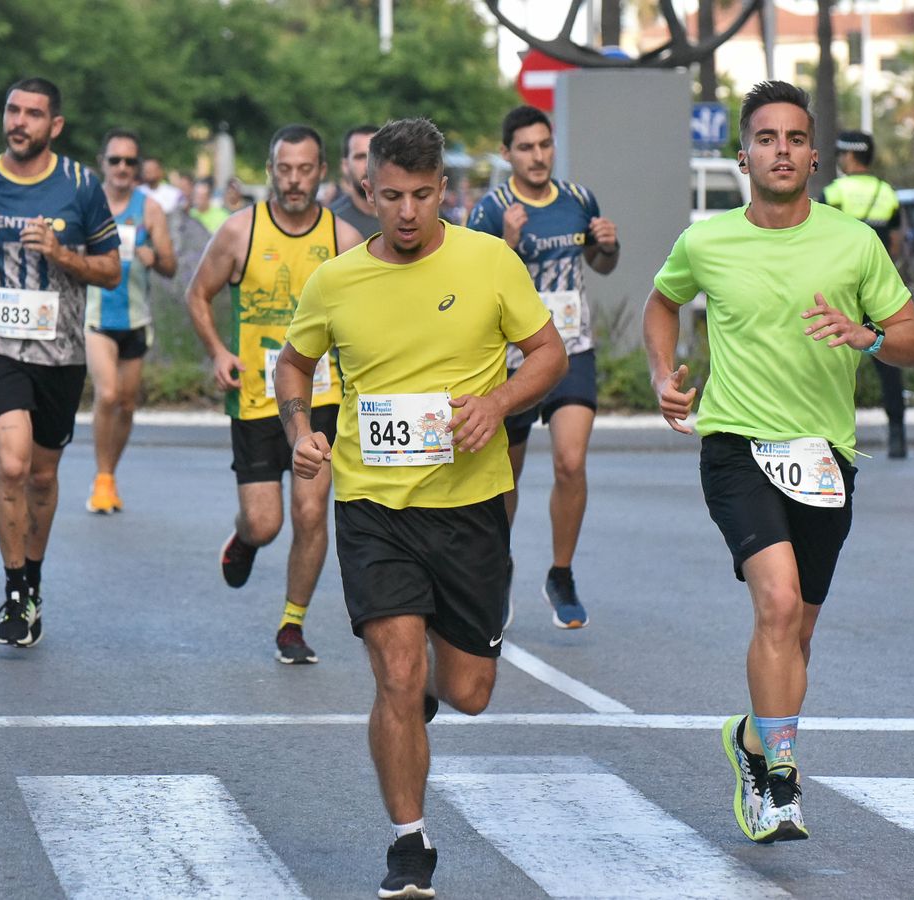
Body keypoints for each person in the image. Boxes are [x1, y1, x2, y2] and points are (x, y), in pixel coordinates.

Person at [278, 117, 565, 899]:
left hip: (471, 507)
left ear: (447, 191)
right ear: (366, 191)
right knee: (397, 675)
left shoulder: (488, 261)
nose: (406, 213)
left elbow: (550, 354)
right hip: (373, 505)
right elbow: (293, 363)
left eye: (422, 196)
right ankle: (409, 843)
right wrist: (301, 431)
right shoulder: (335, 280)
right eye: (390, 196)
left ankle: (436, 687)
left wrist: (498, 401)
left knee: (466, 693)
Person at [642, 81, 914, 844]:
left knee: (796, 634)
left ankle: (750, 737)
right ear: (743, 156)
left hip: (825, 454)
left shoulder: (853, 242)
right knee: (774, 605)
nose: (781, 150)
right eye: (766, 138)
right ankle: (778, 785)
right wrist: (662, 375)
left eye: (795, 138)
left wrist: (866, 336)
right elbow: (662, 301)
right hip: (735, 443)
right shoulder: (706, 241)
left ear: (813, 155)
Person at [0, 77, 121, 648]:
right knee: (12, 465)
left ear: (54, 126)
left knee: (42, 474)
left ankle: (32, 578)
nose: (19, 122)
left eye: (33, 114)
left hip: (60, 351)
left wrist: (62, 255)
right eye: (12, 110)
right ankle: (13, 589)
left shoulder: (81, 187)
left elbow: (111, 269)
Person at [186, 124, 364, 666]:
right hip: (257, 399)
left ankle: (292, 623)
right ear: (270, 171)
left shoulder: (344, 241)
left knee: (312, 511)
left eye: (304, 169)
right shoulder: (242, 231)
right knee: (266, 522)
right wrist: (219, 351)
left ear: (321, 173)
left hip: (321, 398)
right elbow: (198, 294)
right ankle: (244, 538)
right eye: (284, 169)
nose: (293, 180)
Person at [466, 105, 621, 630]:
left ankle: (561, 573)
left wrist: (607, 245)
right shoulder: (492, 208)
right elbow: (472, 287)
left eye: (545, 145)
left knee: (570, 463)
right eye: (526, 148)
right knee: (505, 477)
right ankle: (499, 565)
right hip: (511, 360)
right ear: (508, 153)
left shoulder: (578, 200)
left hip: (571, 349)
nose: (538, 156)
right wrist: (507, 244)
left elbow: (602, 265)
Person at [84, 129, 178, 513]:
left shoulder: (149, 208)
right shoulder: (87, 204)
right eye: (115, 160)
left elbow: (171, 266)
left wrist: (155, 257)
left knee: (125, 404)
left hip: (136, 319)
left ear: (138, 167)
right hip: (96, 317)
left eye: (130, 161)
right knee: (106, 395)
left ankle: (110, 475)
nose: (122, 168)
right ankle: (101, 478)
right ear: (102, 164)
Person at [821, 130, 909, 459]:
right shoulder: (887, 194)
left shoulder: (835, 192)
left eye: (841, 155)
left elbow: (822, 238)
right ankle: (898, 435)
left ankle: (827, 436)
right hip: (877, 288)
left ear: (849, 156)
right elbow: (897, 242)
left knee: (831, 359)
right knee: (888, 361)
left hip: (841, 291)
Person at [329, 124, 379, 237]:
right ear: (345, 166)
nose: (368, 166)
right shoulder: (330, 223)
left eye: (375, 156)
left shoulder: (408, 216)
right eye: (360, 157)